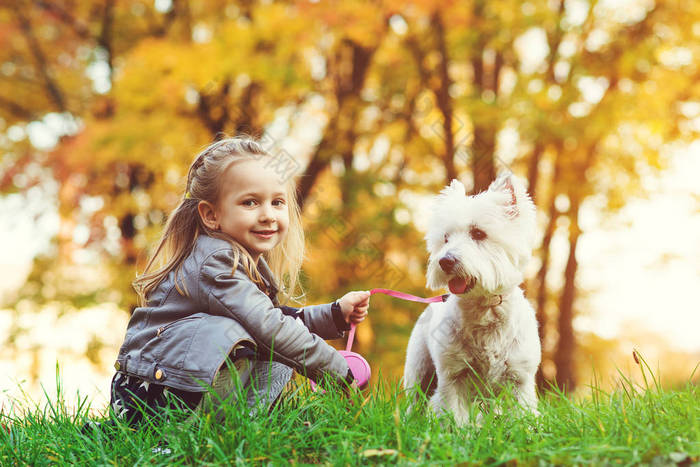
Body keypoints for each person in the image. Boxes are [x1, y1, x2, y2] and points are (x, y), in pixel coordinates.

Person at [109, 136, 370, 427]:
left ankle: (242, 428)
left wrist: (334, 314)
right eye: (250, 202)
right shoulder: (215, 261)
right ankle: (185, 433)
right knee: (264, 338)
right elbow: (271, 327)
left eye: (277, 202)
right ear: (211, 215)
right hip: (147, 400)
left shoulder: (243, 262)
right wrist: (337, 370)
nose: (268, 215)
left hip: (172, 385)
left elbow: (275, 320)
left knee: (273, 339)